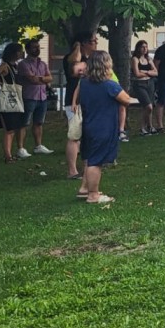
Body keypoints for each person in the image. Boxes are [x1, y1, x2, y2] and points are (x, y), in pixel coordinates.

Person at [72, 51, 137, 204]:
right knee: (96, 162)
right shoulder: (109, 85)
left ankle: (85, 189)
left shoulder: (85, 83)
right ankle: (93, 195)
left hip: (89, 125)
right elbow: (126, 100)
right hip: (103, 127)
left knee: (89, 158)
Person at [63, 32, 96, 180]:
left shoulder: (91, 60)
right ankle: (72, 170)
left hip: (88, 100)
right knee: (74, 136)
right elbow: (75, 65)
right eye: (93, 41)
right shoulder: (73, 59)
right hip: (73, 103)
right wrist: (77, 47)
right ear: (84, 44)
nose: (95, 43)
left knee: (87, 136)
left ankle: (87, 166)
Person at [0, 42, 25, 163]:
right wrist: (1, 83)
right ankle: (7, 156)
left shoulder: (16, 66)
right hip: (8, 99)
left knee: (13, 128)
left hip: (16, 98)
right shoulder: (5, 66)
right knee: (9, 130)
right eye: (20, 51)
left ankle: (10, 153)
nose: (22, 53)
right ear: (14, 53)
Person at [15, 38, 52, 157]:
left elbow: (50, 78)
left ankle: (38, 146)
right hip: (28, 96)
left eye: (38, 47)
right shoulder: (23, 64)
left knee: (39, 123)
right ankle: (20, 148)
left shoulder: (42, 63)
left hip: (42, 96)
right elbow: (32, 79)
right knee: (23, 123)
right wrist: (43, 79)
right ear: (27, 49)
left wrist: (40, 79)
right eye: (34, 47)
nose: (37, 49)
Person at [129, 40, 157, 136]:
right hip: (139, 84)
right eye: (142, 47)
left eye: (146, 46)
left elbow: (155, 72)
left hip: (149, 83)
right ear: (138, 48)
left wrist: (146, 72)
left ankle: (150, 126)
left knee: (150, 106)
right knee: (147, 106)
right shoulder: (135, 59)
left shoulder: (148, 59)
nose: (145, 49)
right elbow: (137, 73)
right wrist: (148, 72)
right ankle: (142, 127)